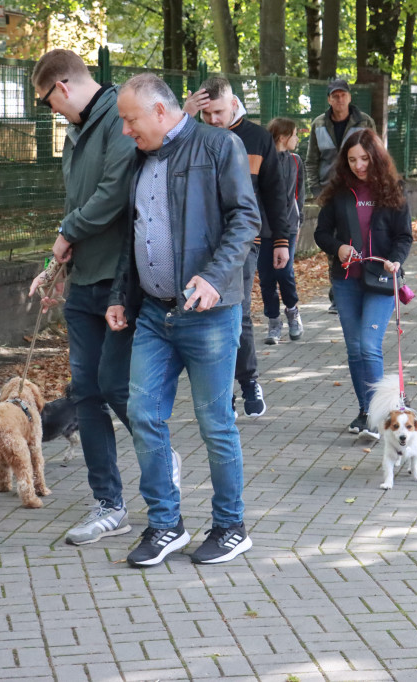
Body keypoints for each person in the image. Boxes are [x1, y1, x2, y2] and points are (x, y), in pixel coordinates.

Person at [108, 74, 259, 567]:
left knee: (215, 423)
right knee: (143, 414)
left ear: (158, 111)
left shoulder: (219, 146)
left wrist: (215, 277)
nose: (127, 131)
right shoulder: (140, 159)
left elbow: (245, 219)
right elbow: (136, 234)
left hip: (209, 313)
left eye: (131, 120)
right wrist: (120, 295)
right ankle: (165, 524)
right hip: (154, 314)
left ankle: (231, 527)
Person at [28, 49, 140, 546]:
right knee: (87, 393)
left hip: (120, 282)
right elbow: (79, 202)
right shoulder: (76, 132)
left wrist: (65, 233)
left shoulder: (118, 116)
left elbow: (115, 193)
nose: (49, 110)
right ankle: (108, 504)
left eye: (47, 99)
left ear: (64, 86)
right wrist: (60, 264)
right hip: (83, 282)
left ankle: (159, 459)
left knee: (116, 387)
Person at [182, 77, 291, 418]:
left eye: (218, 112)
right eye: (206, 114)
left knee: (237, 314)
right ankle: (222, 389)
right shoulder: (190, 135)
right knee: (203, 316)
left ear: (233, 104)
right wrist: (184, 119)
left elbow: (276, 193)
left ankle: (247, 382)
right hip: (196, 243)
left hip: (243, 243)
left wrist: (282, 240)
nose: (213, 120)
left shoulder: (257, 138)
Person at [314, 129, 412, 436]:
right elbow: (321, 233)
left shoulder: (392, 189)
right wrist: (338, 247)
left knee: (369, 347)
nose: (359, 165)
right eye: (352, 159)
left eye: (365, 158)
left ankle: (385, 415)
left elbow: (404, 236)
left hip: (381, 279)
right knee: (355, 349)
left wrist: (395, 259)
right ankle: (367, 411)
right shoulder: (339, 191)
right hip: (345, 281)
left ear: (376, 157)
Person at [305, 79, 376, 314]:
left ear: (349, 97)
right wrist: (316, 191)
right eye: (334, 96)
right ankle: (337, 294)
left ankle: (365, 285)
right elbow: (312, 160)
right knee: (334, 242)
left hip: (358, 190)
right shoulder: (318, 124)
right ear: (328, 99)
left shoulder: (364, 122)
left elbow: (375, 153)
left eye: (343, 95)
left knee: (361, 237)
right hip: (329, 192)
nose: (339, 99)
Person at [264, 117, 306, 345]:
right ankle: (273, 321)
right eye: (295, 135)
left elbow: (300, 196)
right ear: (283, 137)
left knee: (285, 273)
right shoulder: (262, 160)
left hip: (288, 227)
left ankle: (292, 311)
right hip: (264, 229)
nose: (297, 139)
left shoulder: (296, 161)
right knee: (267, 278)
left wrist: (298, 226)